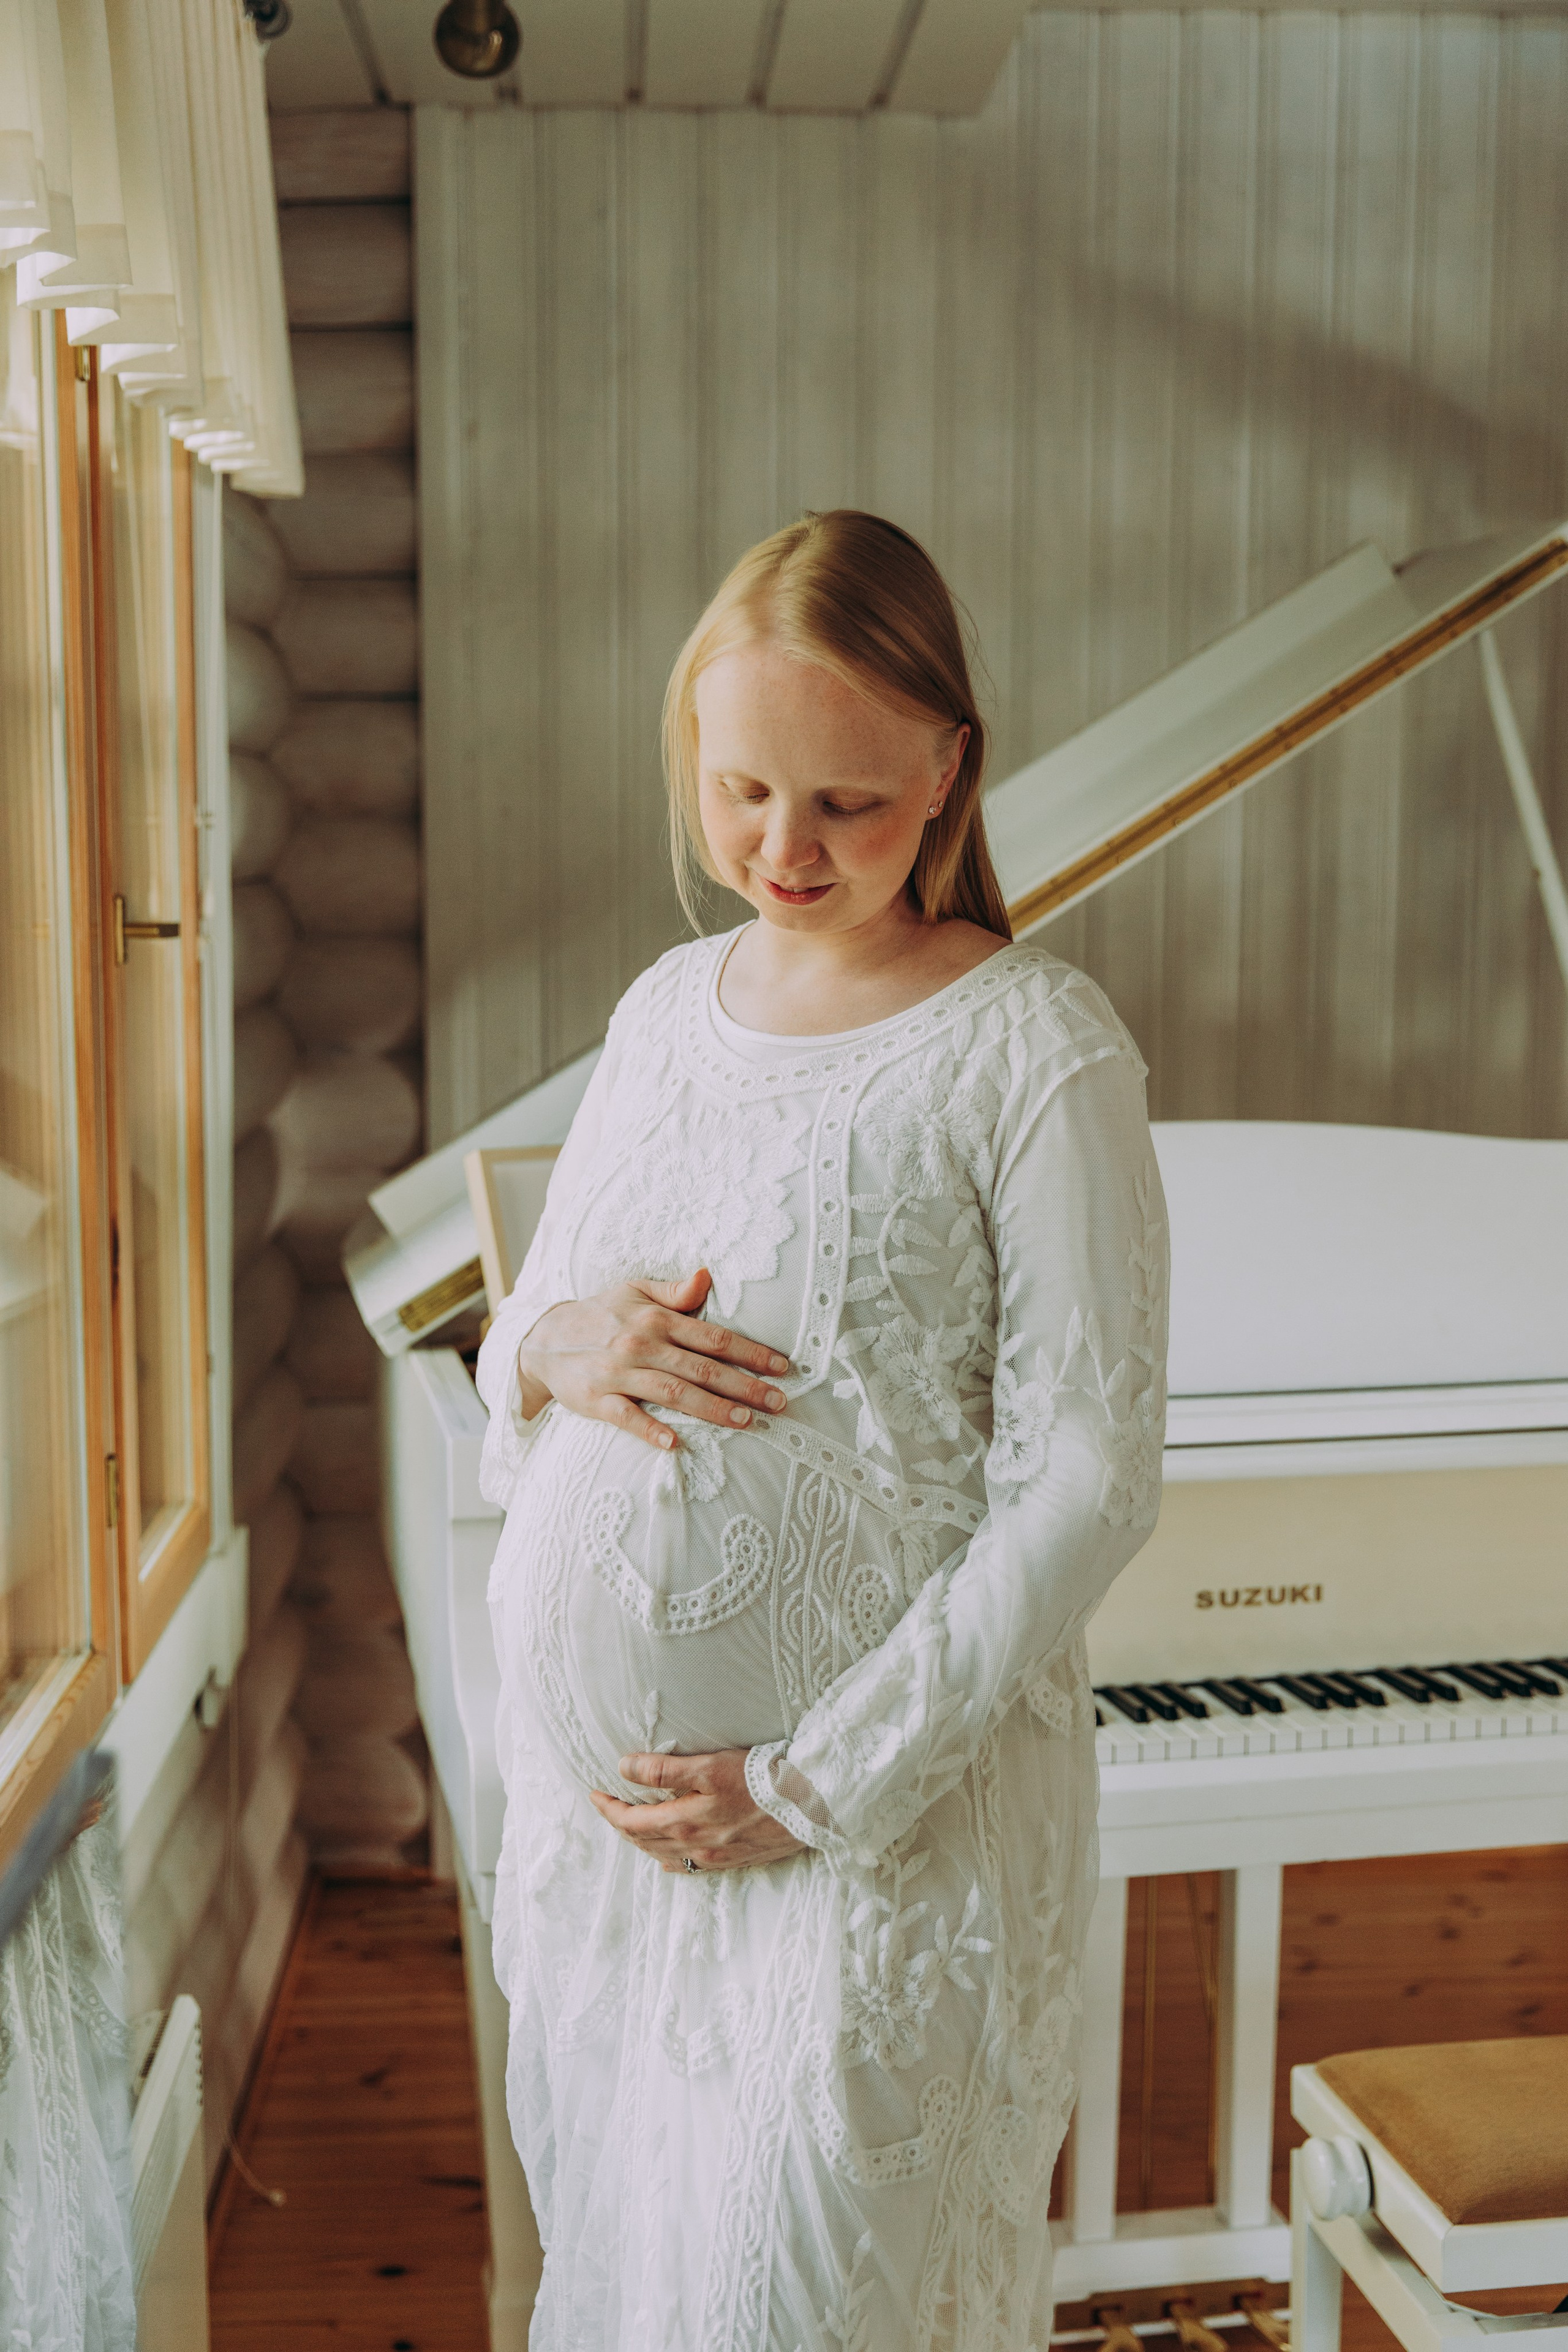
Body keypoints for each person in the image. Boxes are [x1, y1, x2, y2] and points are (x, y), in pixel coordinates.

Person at [476, 510, 1168, 2351]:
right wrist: (560, 1337)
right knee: (638, 2293)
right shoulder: (656, 1016)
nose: (784, 850)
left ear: (948, 769)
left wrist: (809, 1782)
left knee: (802, 2307)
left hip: (874, 1842)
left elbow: (1090, 1477)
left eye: (847, 805)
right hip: (619, 1864)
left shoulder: (1037, 1047)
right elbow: (519, 1337)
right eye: (742, 791)